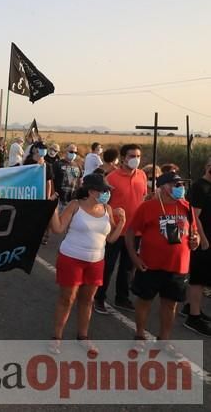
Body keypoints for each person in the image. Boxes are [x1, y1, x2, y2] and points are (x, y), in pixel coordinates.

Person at [48, 174, 126, 354]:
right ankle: (57, 337)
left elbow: (112, 239)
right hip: (71, 258)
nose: (108, 194)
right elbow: (58, 229)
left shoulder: (107, 209)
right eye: (104, 190)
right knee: (67, 299)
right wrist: (52, 209)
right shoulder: (75, 205)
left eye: (108, 191)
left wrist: (122, 222)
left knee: (88, 300)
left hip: (96, 261)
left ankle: (83, 336)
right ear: (91, 191)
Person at [127, 172, 200, 351]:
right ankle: (139, 335)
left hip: (177, 266)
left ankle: (164, 339)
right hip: (150, 264)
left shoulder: (186, 207)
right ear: (164, 187)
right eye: (176, 185)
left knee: (170, 304)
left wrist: (195, 241)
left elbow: (194, 234)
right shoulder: (148, 207)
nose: (180, 188)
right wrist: (134, 258)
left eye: (181, 184)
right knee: (144, 300)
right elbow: (130, 232)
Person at [94, 144, 147, 314]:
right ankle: (99, 297)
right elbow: (103, 202)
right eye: (132, 156)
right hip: (114, 230)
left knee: (127, 266)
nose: (135, 159)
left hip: (135, 230)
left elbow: (143, 198)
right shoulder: (112, 178)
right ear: (123, 157)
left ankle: (122, 297)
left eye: (138, 156)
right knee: (108, 265)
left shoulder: (142, 175)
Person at [181, 157, 211, 336]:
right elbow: (195, 216)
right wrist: (204, 238)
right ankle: (193, 317)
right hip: (202, 240)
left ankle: (192, 307)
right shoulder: (200, 187)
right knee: (198, 279)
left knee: (204, 276)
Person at [53, 143, 83, 211]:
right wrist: (53, 193)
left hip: (73, 200)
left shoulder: (78, 166)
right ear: (66, 152)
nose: (73, 154)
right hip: (59, 199)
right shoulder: (57, 164)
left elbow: (80, 181)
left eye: (75, 152)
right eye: (71, 152)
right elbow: (51, 180)